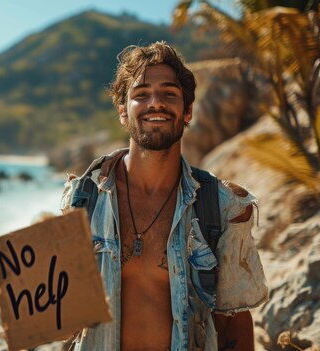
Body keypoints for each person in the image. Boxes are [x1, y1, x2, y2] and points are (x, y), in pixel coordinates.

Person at [61, 42, 268, 351]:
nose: (155, 103)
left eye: (169, 93)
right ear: (123, 111)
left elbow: (233, 319)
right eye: (141, 94)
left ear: (187, 112)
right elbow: (59, 315)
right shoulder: (82, 198)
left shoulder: (222, 206)